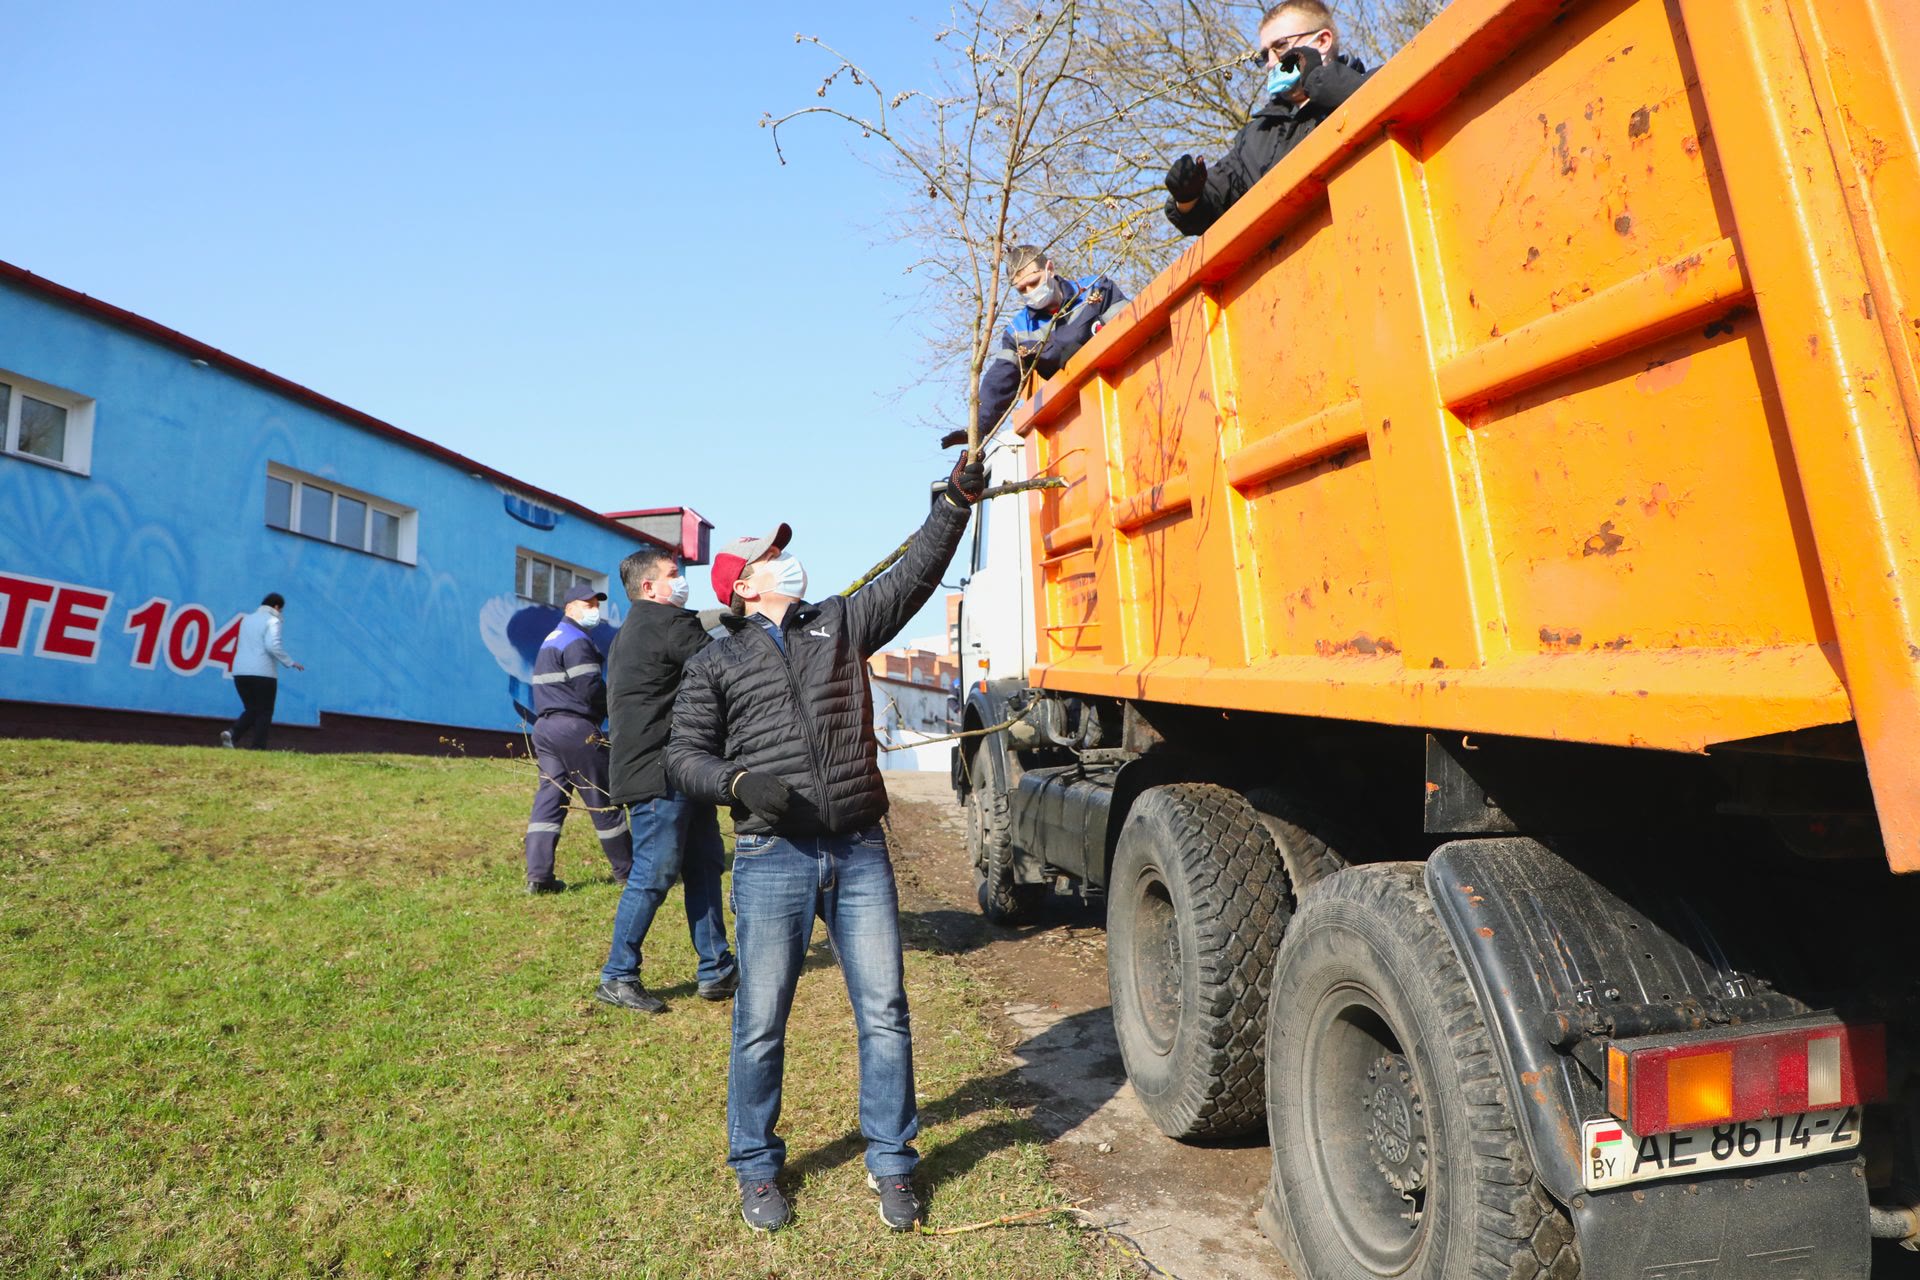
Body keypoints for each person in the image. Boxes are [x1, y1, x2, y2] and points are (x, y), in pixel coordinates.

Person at [667, 453, 986, 1234]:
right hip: (773, 857)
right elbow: (684, 756)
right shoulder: (716, 660)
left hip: (858, 849)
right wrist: (739, 785)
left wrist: (952, 503)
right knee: (760, 1021)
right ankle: (756, 1168)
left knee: (884, 1010)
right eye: (772, 556)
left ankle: (894, 1163)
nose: (788, 560)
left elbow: (911, 577)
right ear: (743, 584)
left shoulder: (837, 623)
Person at [594, 547, 737, 1013]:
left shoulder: (638, 628)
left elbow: (703, 624)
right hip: (658, 777)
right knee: (654, 873)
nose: (681, 580)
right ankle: (617, 975)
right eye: (673, 574)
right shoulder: (664, 624)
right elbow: (725, 661)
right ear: (649, 587)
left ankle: (716, 968)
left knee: (704, 864)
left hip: (679, 771)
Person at [1162, 0, 1371, 237]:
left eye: (1280, 46)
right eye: (1264, 55)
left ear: (1322, 41)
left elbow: (1378, 103)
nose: (1271, 63)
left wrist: (1316, 78)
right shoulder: (1255, 138)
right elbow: (1214, 202)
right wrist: (1187, 198)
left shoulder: (1371, 84)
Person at [940, 246, 1127, 449]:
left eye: (1033, 283)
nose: (1030, 292)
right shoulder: (1019, 333)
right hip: (1076, 417)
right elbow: (1000, 380)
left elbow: (1128, 328)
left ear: (1050, 269)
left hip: (1121, 389)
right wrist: (978, 428)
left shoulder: (1096, 289)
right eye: (1022, 289)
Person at [523, 583, 632, 893]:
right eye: (588, 604)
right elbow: (590, 688)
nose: (594, 609)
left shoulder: (551, 640)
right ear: (570, 607)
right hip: (575, 729)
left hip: (545, 728)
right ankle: (628, 872)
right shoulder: (577, 642)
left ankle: (538, 877)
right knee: (604, 801)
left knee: (549, 801)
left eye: (596, 604)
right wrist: (617, 709)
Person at [221, 592, 304, 749]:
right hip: (262, 673)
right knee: (265, 711)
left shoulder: (246, 619)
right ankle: (258, 748)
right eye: (281, 610)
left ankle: (232, 735)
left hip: (240, 672)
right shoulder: (273, 620)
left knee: (252, 709)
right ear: (277, 607)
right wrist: (290, 662)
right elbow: (272, 645)